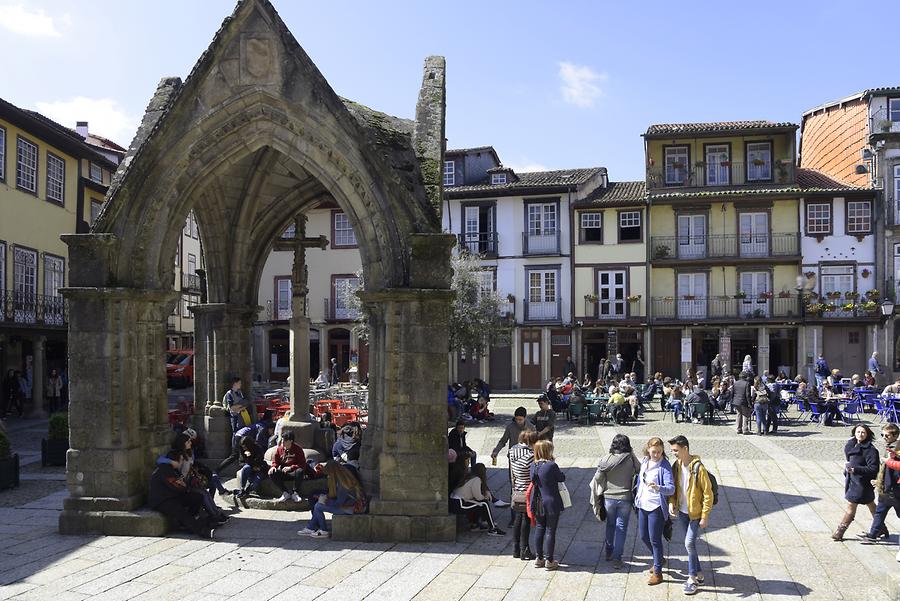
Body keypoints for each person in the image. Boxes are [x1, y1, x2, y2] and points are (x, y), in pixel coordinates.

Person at [667, 435, 715, 596]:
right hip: (682, 512)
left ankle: (692, 578)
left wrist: (705, 515)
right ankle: (699, 573)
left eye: (676, 450)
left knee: (688, 544)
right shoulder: (677, 466)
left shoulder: (698, 468)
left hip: (695, 514)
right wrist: (672, 502)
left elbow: (708, 494)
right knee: (691, 546)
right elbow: (674, 486)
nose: (673, 453)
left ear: (685, 449)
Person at [591, 434, 641, 569]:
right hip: (625, 498)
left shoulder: (606, 459)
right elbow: (640, 469)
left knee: (610, 526)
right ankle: (617, 559)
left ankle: (608, 552)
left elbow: (597, 478)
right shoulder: (630, 458)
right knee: (621, 529)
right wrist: (632, 453)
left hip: (609, 499)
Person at [635, 437, 675, 586]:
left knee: (655, 539)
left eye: (659, 452)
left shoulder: (664, 466)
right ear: (648, 450)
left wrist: (659, 487)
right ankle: (659, 559)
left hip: (656, 507)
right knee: (643, 536)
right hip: (642, 504)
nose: (656, 455)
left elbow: (671, 488)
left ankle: (658, 573)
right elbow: (640, 481)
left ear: (662, 451)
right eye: (653, 452)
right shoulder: (645, 461)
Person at [148, 450, 215, 539]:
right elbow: (176, 486)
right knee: (180, 511)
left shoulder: (173, 470)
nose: (182, 461)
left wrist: (183, 485)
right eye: (181, 459)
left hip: (172, 495)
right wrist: (182, 485)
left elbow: (182, 484)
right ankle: (200, 530)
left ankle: (190, 521)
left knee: (197, 497)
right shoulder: (164, 470)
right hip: (162, 500)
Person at [832, 425, 880, 541]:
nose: (860, 434)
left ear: (868, 434)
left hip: (861, 483)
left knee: (851, 505)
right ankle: (881, 527)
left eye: (863, 432)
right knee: (870, 503)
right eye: (858, 432)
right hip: (852, 480)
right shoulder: (851, 445)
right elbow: (849, 458)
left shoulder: (871, 450)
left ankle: (840, 531)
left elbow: (873, 468)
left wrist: (856, 469)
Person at [298, 461, 365, 537]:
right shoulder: (343, 478)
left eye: (329, 474)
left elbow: (338, 503)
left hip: (351, 508)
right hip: (349, 505)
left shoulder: (343, 484)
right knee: (318, 504)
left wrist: (325, 501)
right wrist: (324, 498)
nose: (328, 476)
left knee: (318, 506)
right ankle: (310, 527)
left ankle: (323, 530)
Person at [858, 423, 898, 543]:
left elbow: (895, 471)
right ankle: (873, 535)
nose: (884, 437)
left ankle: (873, 534)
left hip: (894, 489)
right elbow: (885, 469)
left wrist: (886, 484)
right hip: (888, 488)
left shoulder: (896, 449)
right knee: (880, 511)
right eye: (882, 435)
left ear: (895, 435)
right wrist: (879, 480)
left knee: (881, 511)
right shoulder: (891, 446)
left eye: (887, 435)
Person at [530, 440, 566, 571]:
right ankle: (549, 560)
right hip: (551, 502)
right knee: (551, 530)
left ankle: (539, 558)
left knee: (540, 529)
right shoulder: (551, 465)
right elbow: (561, 478)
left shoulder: (533, 465)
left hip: (538, 501)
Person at [448, 458, 505, 536]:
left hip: (454, 502)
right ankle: (492, 529)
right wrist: (485, 496)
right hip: (458, 503)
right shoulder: (476, 479)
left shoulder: (469, 477)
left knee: (479, 503)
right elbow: (478, 497)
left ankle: (476, 525)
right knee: (484, 503)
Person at [509, 430, 538, 559]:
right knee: (526, 519)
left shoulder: (512, 450)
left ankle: (516, 548)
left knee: (517, 519)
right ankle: (524, 549)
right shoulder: (531, 455)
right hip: (527, 489)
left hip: (516, 488)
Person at [268, 431, 306, 502]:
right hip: (284, 472)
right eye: (282, 440)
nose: (283, 442)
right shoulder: (279, 449)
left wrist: (291, 467)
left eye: (285, 441)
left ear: (291, 441)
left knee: (300, 471)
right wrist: (273, 467)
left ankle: (295, 493)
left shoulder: (298, 449)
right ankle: (286, 492)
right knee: (272, 473)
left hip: (294, 472)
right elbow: (276, 462)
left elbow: (302, 464)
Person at [235, 435, 267, 508]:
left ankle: (247, 490)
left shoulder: (257, 448)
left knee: (255, 484)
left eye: (245, 447)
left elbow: (259, 460)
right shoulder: (242, 450)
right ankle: (242, 488)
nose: (244, 448)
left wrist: (251, 460)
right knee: (246, 468)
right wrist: (249, 459)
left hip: (259, 469)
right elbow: (241, 463)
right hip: (250, 468)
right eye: (243, 447)